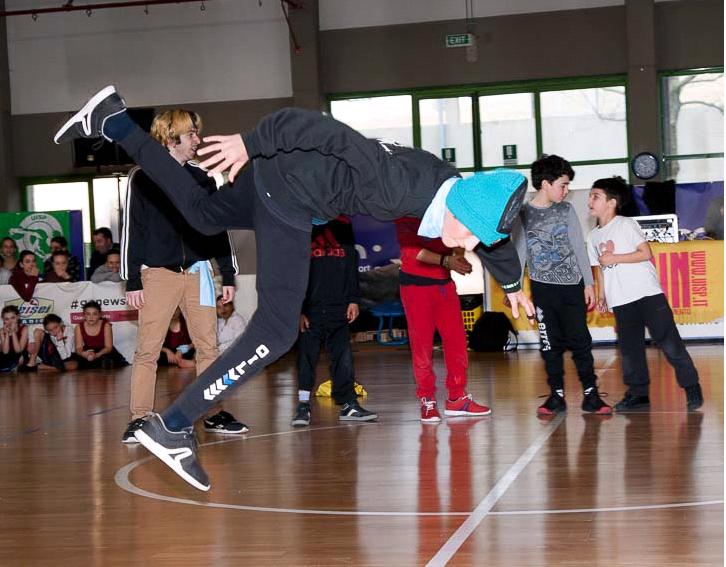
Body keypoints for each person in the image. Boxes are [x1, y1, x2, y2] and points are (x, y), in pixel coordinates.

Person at [55, 86, 535, 491]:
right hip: (288, 194)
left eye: (475, 241)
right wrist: (251, 142)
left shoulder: (451, 184)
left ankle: (114, 121)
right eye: (469, 234)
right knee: (277, 330)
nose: (467, 247)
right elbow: (322, 128)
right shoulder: (394, 184)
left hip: (277, 174)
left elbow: (489, 227)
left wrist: (511, 280)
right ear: (459, 210)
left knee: (201, 215)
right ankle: (174, 426)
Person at [119, 108, 246, 445]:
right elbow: (132, 230)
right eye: (191, 134)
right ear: (171, 138)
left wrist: (228, 273)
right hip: (159, 274)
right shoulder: (142, 177)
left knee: (209, 348)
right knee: (148, 351)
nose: (197, 140)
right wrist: (132, 279)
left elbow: (217, 227)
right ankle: (139, 418)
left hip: (200, 272)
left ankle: (212, 412)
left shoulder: (203, 177)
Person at [586, 176, 703, 412]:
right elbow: (599, 269)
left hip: (647, 294)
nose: (590, 200)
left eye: (595, 196)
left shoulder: (625, 224)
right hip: (621, 299)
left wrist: (615, 258)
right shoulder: (593, 236)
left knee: (669, 342)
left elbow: (645, 252)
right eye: (590, 196)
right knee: (630, 349)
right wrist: (602, 294)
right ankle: (638, 394)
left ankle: (691, 385)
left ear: (611, 202)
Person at [512, 155, 610, 415]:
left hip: (572, 287)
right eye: (563, 185)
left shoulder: (566, 210)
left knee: (580, 341)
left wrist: (588, 283)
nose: (566, 191)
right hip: (542, 290)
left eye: (567, 186)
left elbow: (578, 246)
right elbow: (520, 253)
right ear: (546, 183)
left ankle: (591, 395)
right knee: (549, 344)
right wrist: (515, 289)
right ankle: (556, 395)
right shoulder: (523, 213)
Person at [395, 216, 491, 423]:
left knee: (457, 342)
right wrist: (446, 261)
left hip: (444, 284)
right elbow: (412, 251)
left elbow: (458, 238)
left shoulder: (445, 211)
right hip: (415, 286)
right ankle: (427, 399)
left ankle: (457, 397)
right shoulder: (406, 212)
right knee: (422, 346)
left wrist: (458, 258)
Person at [291, 216, 377, 427]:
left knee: (343, 357)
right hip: (310, 309)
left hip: (338, 306)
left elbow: (351, 261)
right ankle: (303, 405)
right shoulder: (303, 222)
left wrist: (353, 299)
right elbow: (294, 269)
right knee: (306, 356)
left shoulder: (343, 223)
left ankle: (349, 404)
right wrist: (298, 309)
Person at [74, 300, 128, 369]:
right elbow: (78, 348)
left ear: (99, 315)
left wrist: (97, 355)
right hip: (88, 351)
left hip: (104, 352)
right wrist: (83, 354)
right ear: (84, 315)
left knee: (108, 361)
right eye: (88, 314)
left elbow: (108, 347)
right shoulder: (78, 327)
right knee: (78, 364)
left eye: (94, 314)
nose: (91, 317)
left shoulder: (106, 325)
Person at [0, 305, 29, 372]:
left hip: (20, 354)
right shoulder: (2, 331)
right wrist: (7, 334)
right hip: (7, 355)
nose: (10, 321)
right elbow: (5, 351)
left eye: (12, 318)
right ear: (3, 319)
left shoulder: (24, 328)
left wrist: (13, 332)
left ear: (18, 317)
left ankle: (14, 366)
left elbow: (18, 350)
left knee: (14, 359)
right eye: (7, 319)